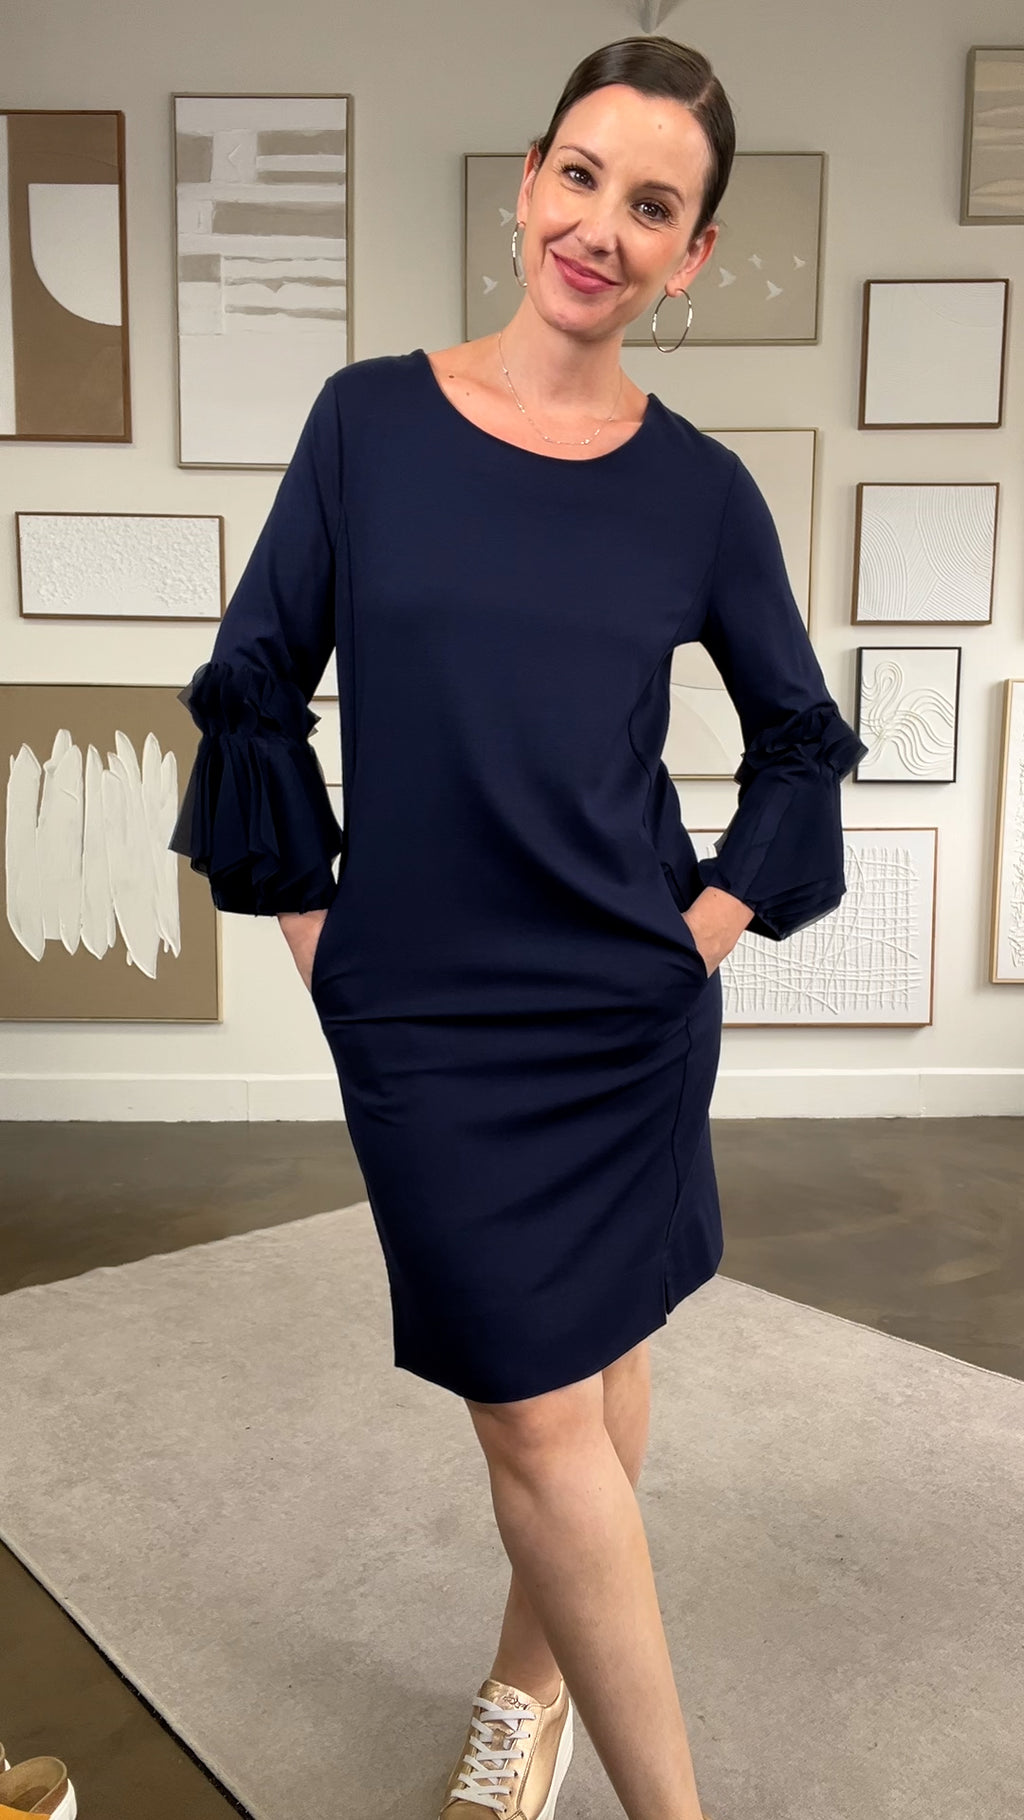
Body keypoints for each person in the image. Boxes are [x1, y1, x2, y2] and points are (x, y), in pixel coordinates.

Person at [169, 34, 868, 1820]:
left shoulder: (699, 490)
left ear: (691, 255)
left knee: (593, 1362)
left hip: (625, 1014)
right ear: (526, 183)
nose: (601, 227)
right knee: (534, 1407)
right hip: (424, 1019)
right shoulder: (367, 426)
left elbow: (799, 733)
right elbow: (255, 689)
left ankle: (533, 1697)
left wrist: (704, 926)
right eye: (582, 176)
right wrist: (324, 938)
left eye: (653, 206)